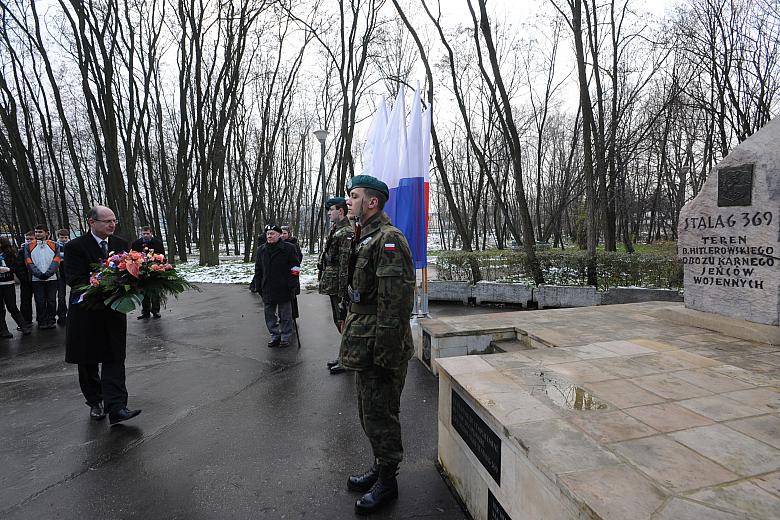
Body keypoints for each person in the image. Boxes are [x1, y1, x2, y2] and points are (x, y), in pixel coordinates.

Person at [338, 175, 415, 514]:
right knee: (368, 412)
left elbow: (395, 305)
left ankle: (388, 481)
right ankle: (379, 465)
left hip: (380, 347)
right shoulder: (364, 236)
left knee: (382, 414)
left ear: (372, 202)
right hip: (364, 343)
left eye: (354, 196)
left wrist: (386, 356)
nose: (348, 201)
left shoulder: (388, 239)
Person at [65, 206, 141, 425]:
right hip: (86, 312)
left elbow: (129, 272)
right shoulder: (75, 247)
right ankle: (95, 401)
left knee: (115, 358)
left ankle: (117, 407)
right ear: (92, 222)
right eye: (107, 221)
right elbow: (74, 280)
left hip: (114, 311)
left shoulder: (119, 243)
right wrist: (103, 283)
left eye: (114, 220)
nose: (112, 224)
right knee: (87, 360)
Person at [317, 197, 353, 374]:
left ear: (341, 211)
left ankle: (347, 360)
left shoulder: (345, 232)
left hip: (338, 285)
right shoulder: (336, 229)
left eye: (331, 210)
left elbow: (345, 264)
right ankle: (345, 357)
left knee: (342, 321)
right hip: (332, 283)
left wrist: (343, 291)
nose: (329, 213)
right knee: (339, 321)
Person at [254, 224, 300, 348]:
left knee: (285, 315)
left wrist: (293, 282)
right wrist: (258, 285)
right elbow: (258, 269)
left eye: (272, 233)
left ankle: (285, 336)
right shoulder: (261, 250)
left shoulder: (289, 248)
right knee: (269, 315)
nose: (269, 236)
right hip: (267, 287)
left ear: (279, 235)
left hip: (284, 287)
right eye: (268, 234)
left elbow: (295, 267)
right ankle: (275, 335)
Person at [23, 224, 61, 329]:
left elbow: (57, 260)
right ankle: (42, 321)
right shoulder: (28, 246)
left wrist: (48, 273)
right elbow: (28, 261)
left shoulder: (54, 245)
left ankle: (51, 320)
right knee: (40, 301)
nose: (37, 234)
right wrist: (38, 274)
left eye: (40, 232)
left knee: (51, 300)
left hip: (52, 278)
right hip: (36, 279)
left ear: (46, 233)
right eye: (36, 232)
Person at [131, 226, 166, 319]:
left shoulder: (157, 243)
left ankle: (155, 310)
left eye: (147, 233)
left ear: (151, 233)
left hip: (155, 270)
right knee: (143, 292)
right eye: (144, 234)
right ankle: (145, 312)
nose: (145, 235)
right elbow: (132, 256)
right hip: (141, 271)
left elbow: (163, 256)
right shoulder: (136, 243)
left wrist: (161, 266)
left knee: (155, 291)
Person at [0, 237, 31, 337]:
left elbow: (16, 267)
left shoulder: (10, 253)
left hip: (8, 283)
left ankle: (23, 326)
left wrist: (8, 269)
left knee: (12, 306)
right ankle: (3, 330)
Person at [15, 231, 35, 328]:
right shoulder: (21, 251)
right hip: (26, 280)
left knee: (41, 300)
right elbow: (19, 266)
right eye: (27, 239)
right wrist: (23, 278)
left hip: (38, 278)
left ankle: (42, 318)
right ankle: (26, 320)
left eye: (31, 239)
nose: (29, 241)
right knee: (25, 301)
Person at [55, 229, 70, 325]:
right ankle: (62, 315)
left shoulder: (71, 245)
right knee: (61, 295)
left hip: (69, 273)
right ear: (58, 237)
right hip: (59, 273)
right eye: (61, 237)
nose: (64, 239)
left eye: (65, 237)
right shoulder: (55, 245)